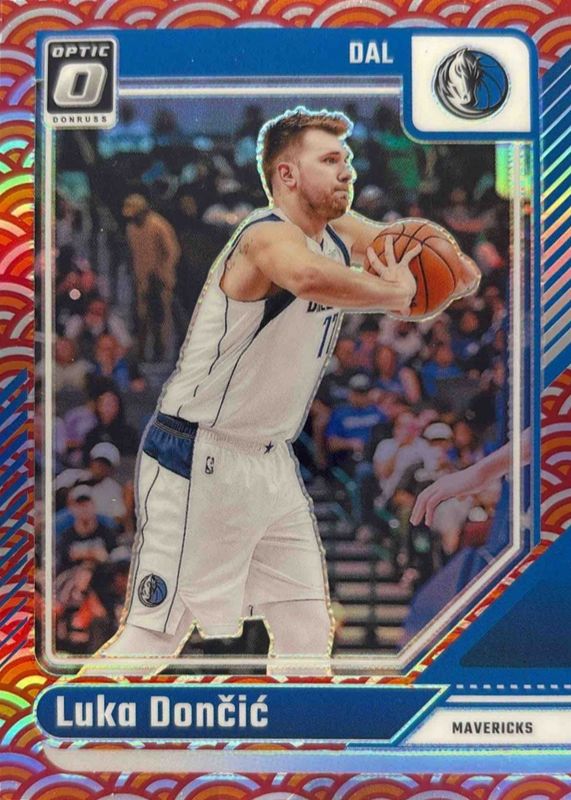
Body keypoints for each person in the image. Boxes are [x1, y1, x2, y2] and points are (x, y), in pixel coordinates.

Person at [87, 107, 478, 676]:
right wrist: (395, 295)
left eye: (347, 159)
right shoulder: (262, 237)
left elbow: (404, 247)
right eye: (330, 160)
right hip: (198, 454)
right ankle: (56, 725)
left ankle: (301, 734)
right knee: (151, 639)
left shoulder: (338, 233)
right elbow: (308, 278)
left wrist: (454, 267)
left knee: (307, 632)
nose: (347, 170)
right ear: (288, 175)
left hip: (270, 460)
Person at [123, 193, 181, 362]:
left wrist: (163, 272)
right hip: (142, 281)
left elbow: (173, 252)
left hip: (160, 280)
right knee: (141, 317)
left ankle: (161, 352)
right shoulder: (131, 229)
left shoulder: (158, 225)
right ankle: (141, 352)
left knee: (161, 317)